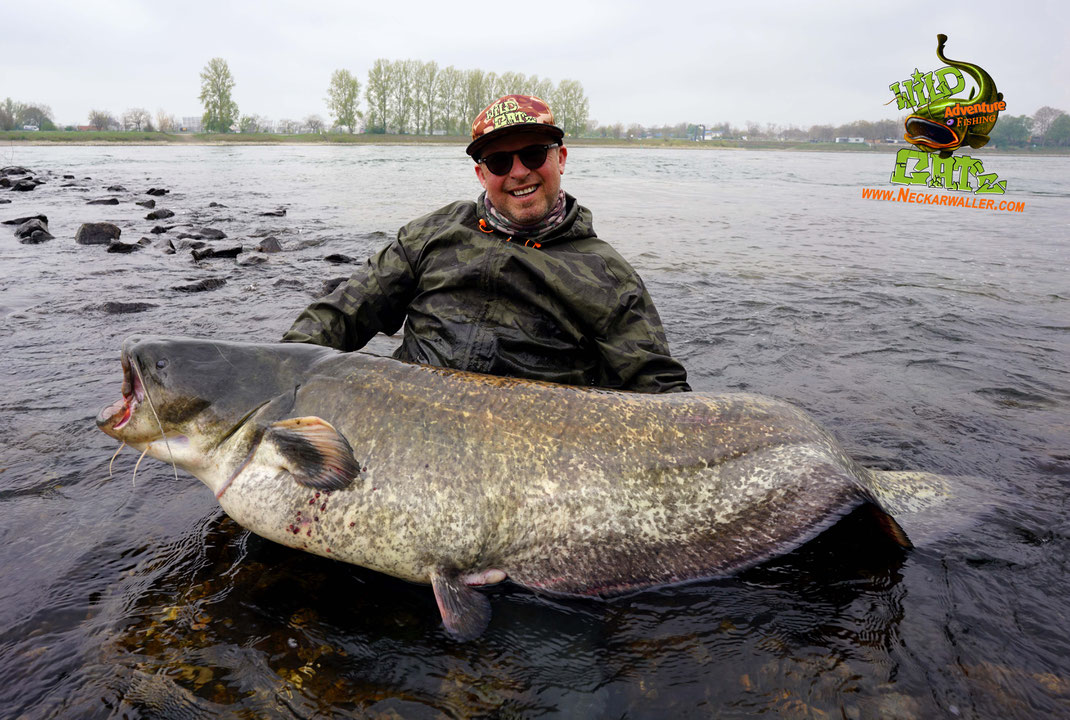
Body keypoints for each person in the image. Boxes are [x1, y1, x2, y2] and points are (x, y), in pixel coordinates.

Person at [283, 94, 690, 393]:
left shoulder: (607, 273)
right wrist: (276, 371)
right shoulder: (433, 232)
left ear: (560, 158)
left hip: (535, 447)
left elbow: (657, 386)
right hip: (409, 416)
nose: (517, 172)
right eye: (499, 162)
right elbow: (343, 314)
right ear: (481, 175)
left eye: (533, 154)